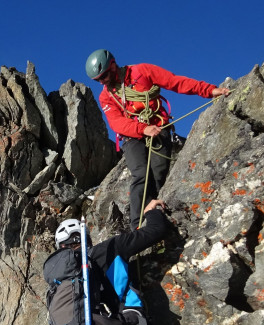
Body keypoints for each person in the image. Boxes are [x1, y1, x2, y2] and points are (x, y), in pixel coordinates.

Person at [85, 49, 230, 229]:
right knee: (140, 174)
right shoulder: (106, 96)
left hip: (159, 127)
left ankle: (154, 217)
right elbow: (117, 123)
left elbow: (175, 82)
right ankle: (137, 227)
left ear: (113, 64)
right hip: (132, 137)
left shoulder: (142, 71)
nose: (102, 81)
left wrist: (209, 90)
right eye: (97, 79)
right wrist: (143, 128)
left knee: (158, 174)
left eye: (104, 75)